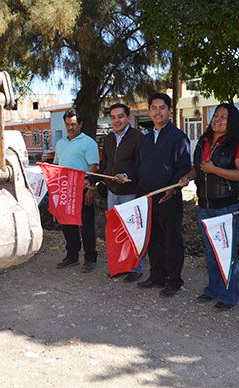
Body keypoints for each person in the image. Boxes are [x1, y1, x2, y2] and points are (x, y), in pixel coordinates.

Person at [114, 92, 191, 297]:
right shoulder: (146, 139)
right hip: (147, 198)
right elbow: (138, 168)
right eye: (154, 108)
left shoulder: (178, 137)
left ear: (169, 111)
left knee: (172, 239)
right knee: (154, 238)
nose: (158, 112)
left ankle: (174, 280)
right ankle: (157, 276)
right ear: (149, 111)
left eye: (162, 108)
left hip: (169, 198)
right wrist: (126, 175)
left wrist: (173, 188)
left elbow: (184, 168)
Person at [179, 103, 239, 311]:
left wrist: (214, 169)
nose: (217, 119)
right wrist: (187, 177)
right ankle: (213, 290)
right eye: (215, 115)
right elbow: (198, 168)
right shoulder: (204, 140)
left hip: (228, 207)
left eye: (224, 117)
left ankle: (229, 297)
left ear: (233, 122)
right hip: (205, 206)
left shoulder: (238, 143)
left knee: (227, 253)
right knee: (210, 252)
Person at [97, 102, 145, 282]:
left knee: (132, 230)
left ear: (128, 117)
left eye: (120, 116)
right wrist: (94, 180)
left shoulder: (138, 138)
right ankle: (119, 266)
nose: (116, 121)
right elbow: (105, 165)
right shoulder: (108, 138)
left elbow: (141, 165)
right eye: (113, 117)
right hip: (112, 192)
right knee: (116, 231)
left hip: (130, 192)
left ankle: (136, 268)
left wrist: (127, 175)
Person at [53, 109, 100, 273]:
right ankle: (72, 256)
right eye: (67, 124)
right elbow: (57, 166)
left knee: (86, 226)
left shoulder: (88, 143)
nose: (70, 128)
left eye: (73, 124)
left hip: (83, 190)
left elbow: (94, 167)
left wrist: (91, 189)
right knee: (67, 225)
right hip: (65, 190)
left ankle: (90, 259)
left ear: (80, 124)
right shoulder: (60, 143)